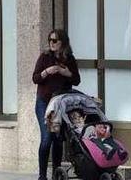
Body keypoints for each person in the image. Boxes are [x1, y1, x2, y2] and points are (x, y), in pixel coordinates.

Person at [32, 29, 80, 180]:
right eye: (50, 40)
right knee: (47, 138)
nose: (51, 43)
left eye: (55, 41)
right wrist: (47, 71)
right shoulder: (45, 57)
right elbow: (35, 78)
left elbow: (77, 80)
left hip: (60, 104)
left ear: (63, 43)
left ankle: (56, 174)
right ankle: (42, 175)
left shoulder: (69, 59)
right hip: (45, 104)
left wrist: (66, 73)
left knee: (57, 138)